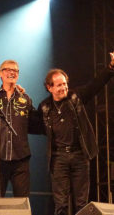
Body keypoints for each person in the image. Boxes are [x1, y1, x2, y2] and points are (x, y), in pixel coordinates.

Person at [38, 52, 114, 215]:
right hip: (58, 159)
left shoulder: (75, 97)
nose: (63, 88)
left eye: (65, 84)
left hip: (80, 156)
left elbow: (95, 85)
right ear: (49, 87)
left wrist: (110, 68)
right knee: (61, 205)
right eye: (59, 85)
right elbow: (32, 125)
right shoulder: (44, 107)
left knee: (81, 203)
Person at [0, 60, 39, 197]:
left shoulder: (25, 99)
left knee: (22, 203)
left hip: (21, 160)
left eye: (15, 70)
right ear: (0, 73)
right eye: (8, 69)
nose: (12, 72)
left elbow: (36, 124)